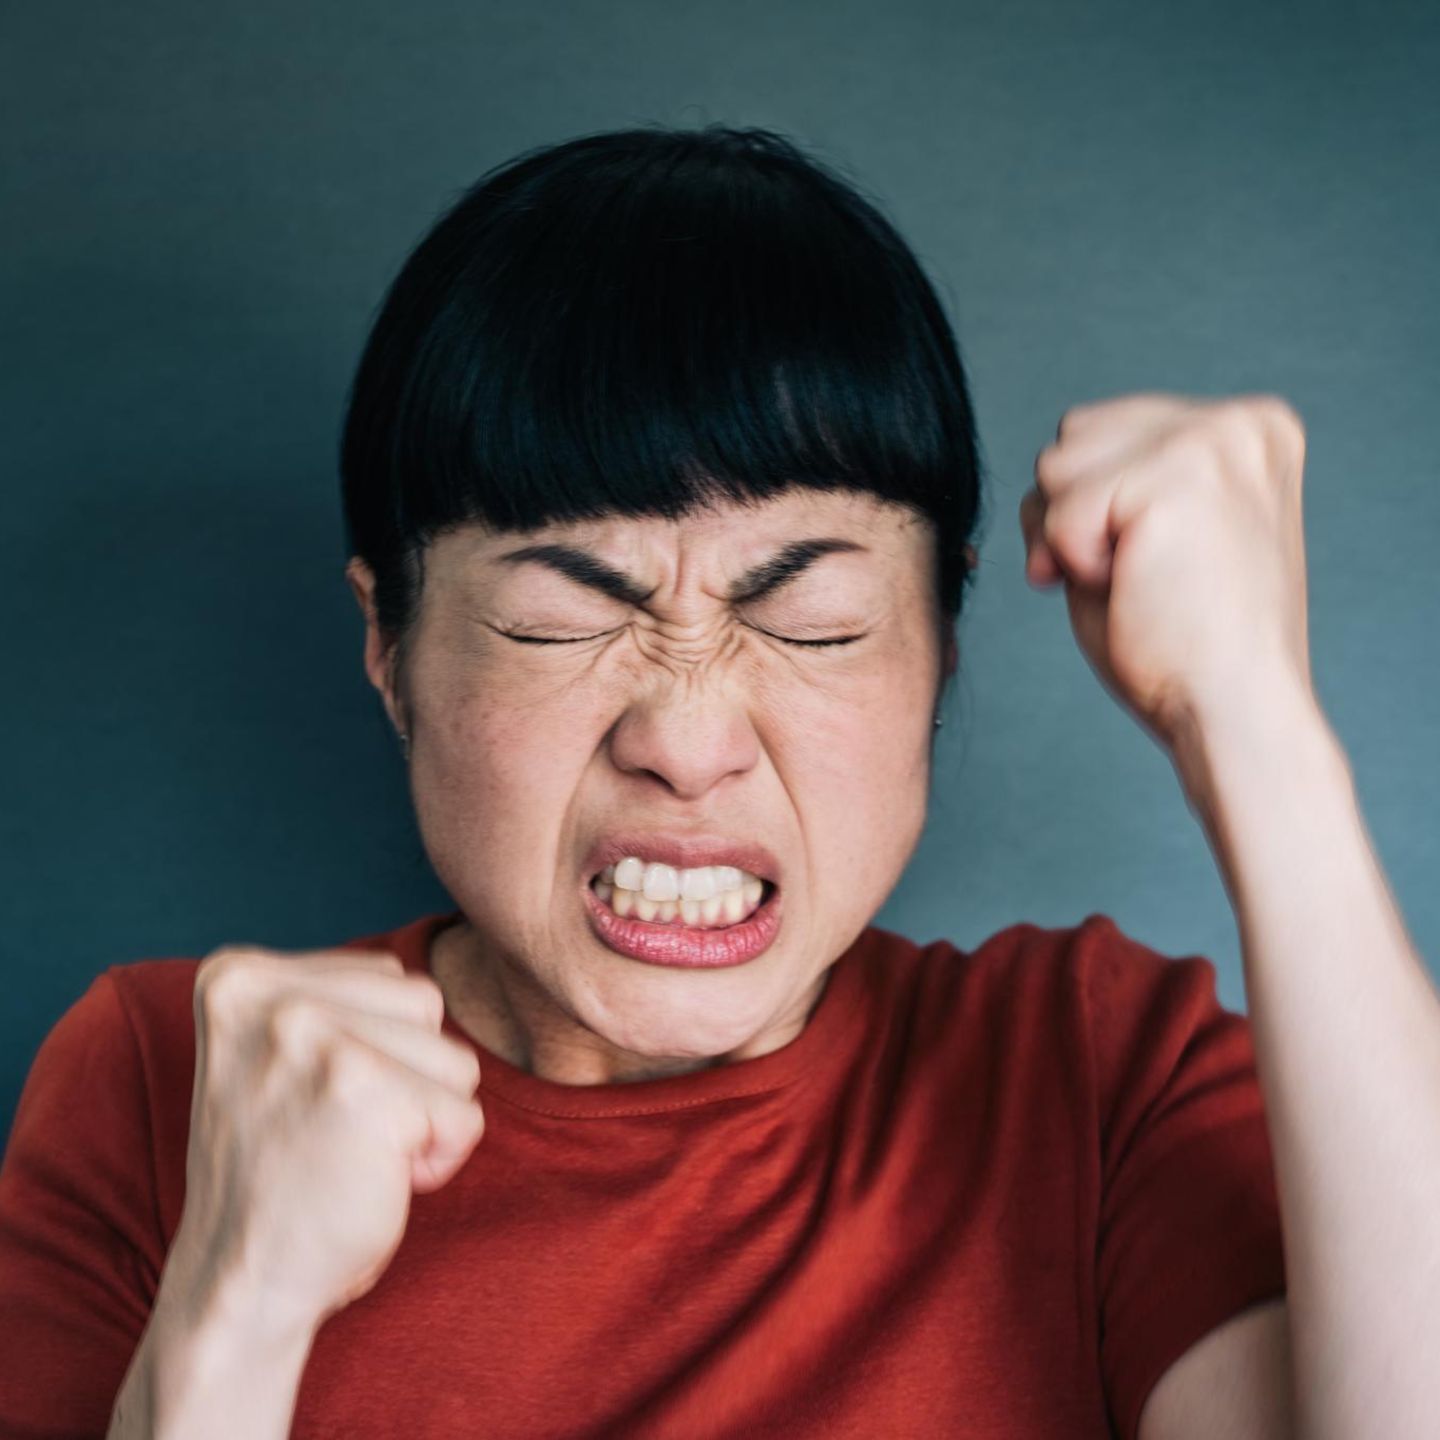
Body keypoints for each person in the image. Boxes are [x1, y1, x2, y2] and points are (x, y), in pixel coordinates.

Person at [0, 124, 1293, 1439]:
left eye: (819, 620)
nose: (685, 736)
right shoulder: (170, 1079)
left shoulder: (1099, 1076)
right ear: (387, 642)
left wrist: (1256, 720)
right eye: (559, 620)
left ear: (940, 645)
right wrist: (238, 1316)